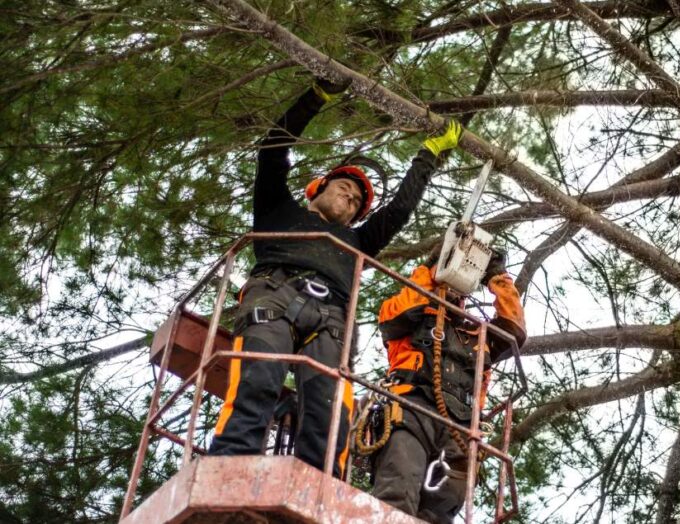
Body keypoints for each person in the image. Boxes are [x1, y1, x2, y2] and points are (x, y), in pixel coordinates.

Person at [208, 78, 464, 478]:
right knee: (258, 376)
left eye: (358, 202)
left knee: (329, 406)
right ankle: (227, 467)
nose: (351, 198)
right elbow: (272, 150)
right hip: (273, 295)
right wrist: (316, 96)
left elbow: (398, 211)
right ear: (317, 188)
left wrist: (427, 156)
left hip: (330, 317)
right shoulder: (278, 209)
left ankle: (318, 483)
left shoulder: (358, 240)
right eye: (345, 188)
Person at [366, 250, 526, 523]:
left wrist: (497, 278)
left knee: (443, 507)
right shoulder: (410, 317)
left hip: (461, 426)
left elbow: (514, 330)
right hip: (411, 409)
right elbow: (401, 312)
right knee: (398, 489)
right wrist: (429, 268)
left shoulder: (479, 335)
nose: (452, 292)